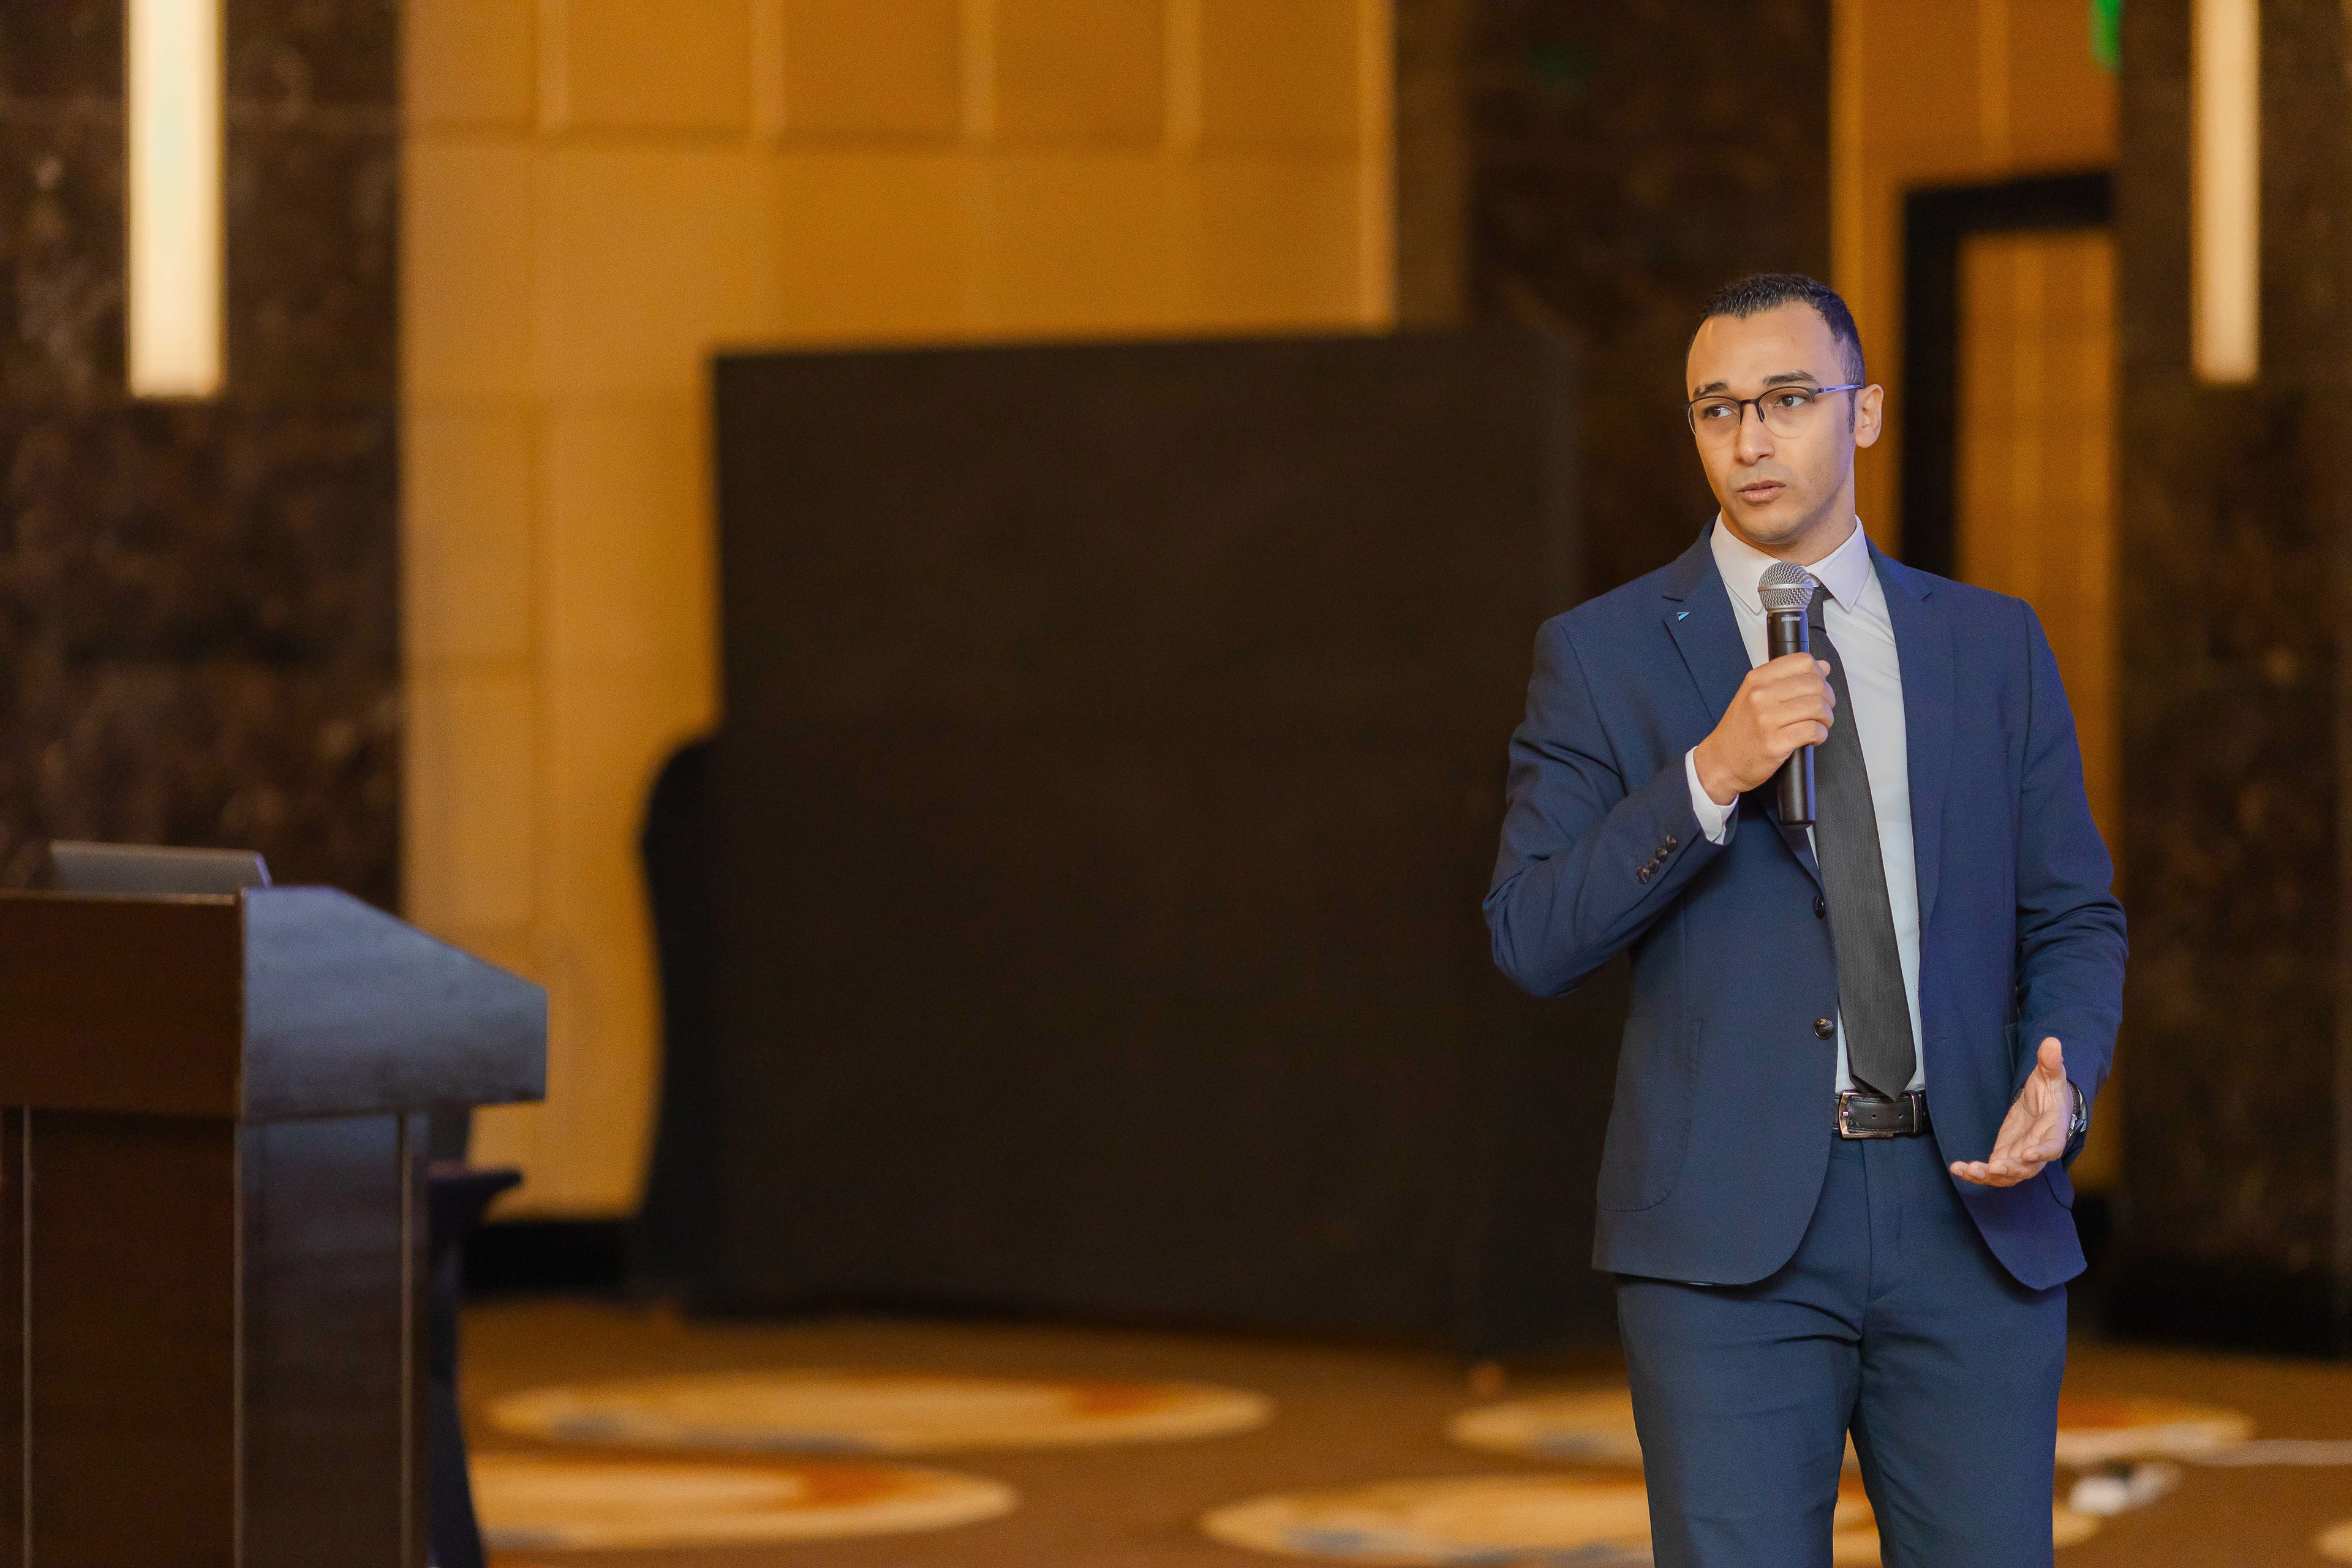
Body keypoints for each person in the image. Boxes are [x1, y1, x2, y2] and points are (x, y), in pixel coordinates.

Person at [1483, 272, 2126, 1567]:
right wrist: (1708, 776)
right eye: (1716, 408)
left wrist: (2064, 1086)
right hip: (1726, 1243)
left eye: (1786, 399)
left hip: (1970, 1219)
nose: (1750, 438)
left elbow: (2074, 915)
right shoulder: (1604, 653)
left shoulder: (1991, 646)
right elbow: (1531, 932)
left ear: (1864, 413)